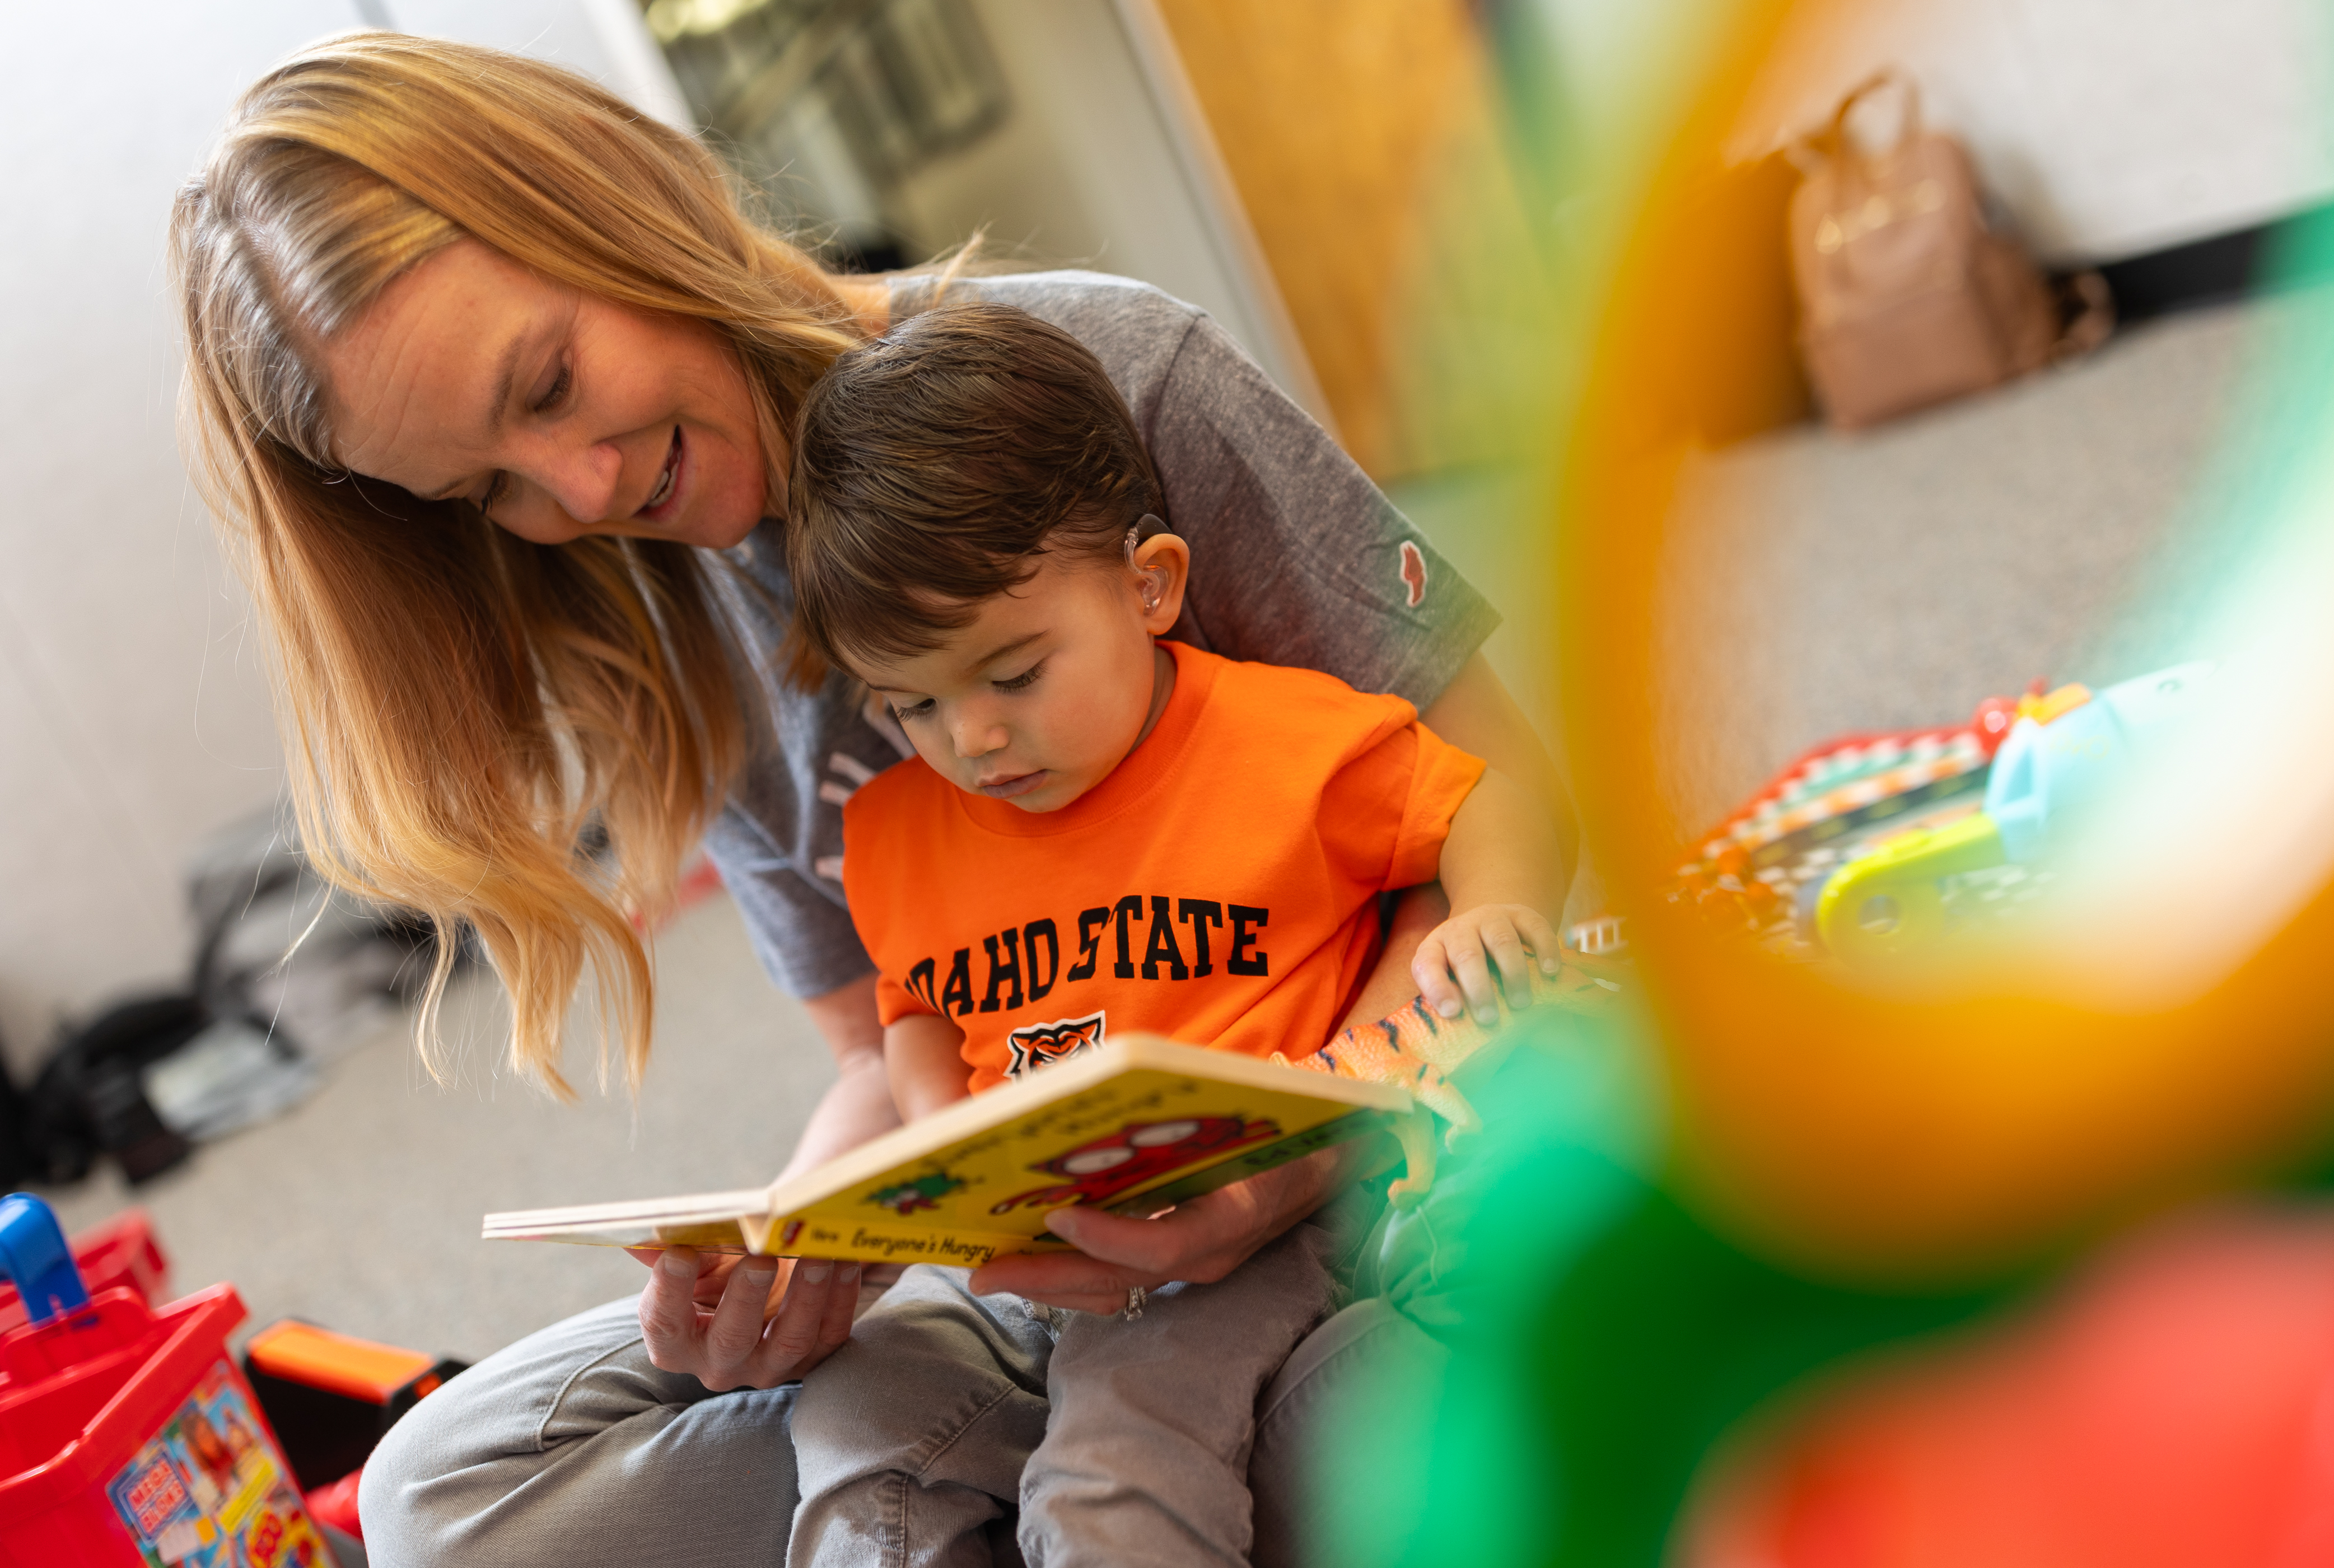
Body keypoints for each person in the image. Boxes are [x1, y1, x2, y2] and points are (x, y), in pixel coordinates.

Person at [170, 31, 1574, 1566]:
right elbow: (884, 1043)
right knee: (430, 1492)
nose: (573, 494)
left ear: (613, 204)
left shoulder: (1108, 377)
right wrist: (806, 1237)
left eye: (554, 385)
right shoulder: (664, 637)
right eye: (484, 489)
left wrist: (1306, 1148)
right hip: (1035, 1278)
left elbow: (1499, 801)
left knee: (1381, 1387)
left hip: (1343, 1194)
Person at [778, 302, 1565, 1565]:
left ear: (1153, 586)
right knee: (850, 1429)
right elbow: (914, 1006)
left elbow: (1487, 800)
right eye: (914, 702)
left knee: (1111, 1475)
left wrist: (1499, 910)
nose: (972, 738)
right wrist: (934, 1137)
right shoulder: (903, 829)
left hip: (1236, 1218)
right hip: (1027, 1247)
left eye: (1015, 672)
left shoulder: (1277, 742)